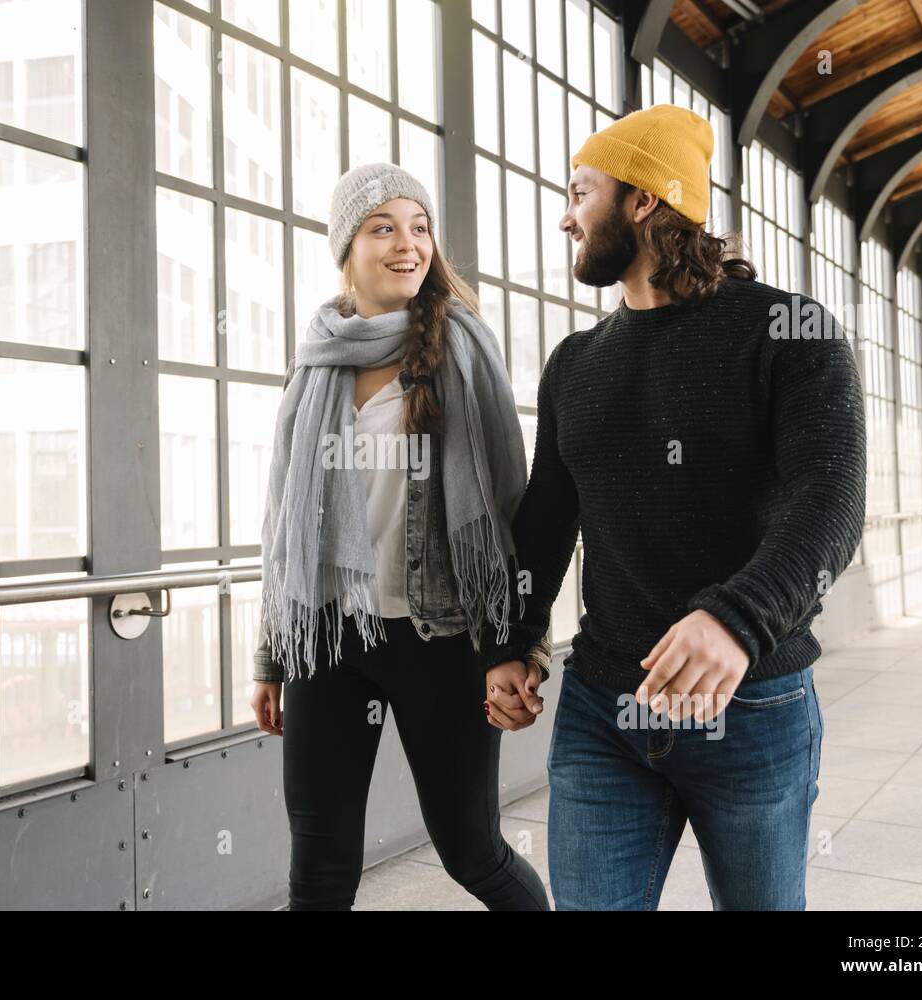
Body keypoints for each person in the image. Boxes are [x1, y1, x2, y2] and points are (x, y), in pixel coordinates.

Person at [481, 104, 866, 910]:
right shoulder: (575, 365)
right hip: (601, 713)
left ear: (644, 201)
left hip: (753, 704)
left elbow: (829, 500)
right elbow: (547, 522)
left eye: (581, 191)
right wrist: (512, 641)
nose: (565, 215)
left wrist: (736, 618)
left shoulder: (787, 332)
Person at [249, 162, 551, 911]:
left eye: (419, 228)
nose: (407, 244)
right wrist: (270, 654)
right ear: (346, 247)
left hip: (440, 637)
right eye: (383, 227)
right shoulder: (315, 361)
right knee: (317, 871)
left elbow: (510, 515)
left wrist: (516, 648)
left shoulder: (463, 351)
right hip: (327, 634)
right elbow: (284, 520)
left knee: (471, 852)